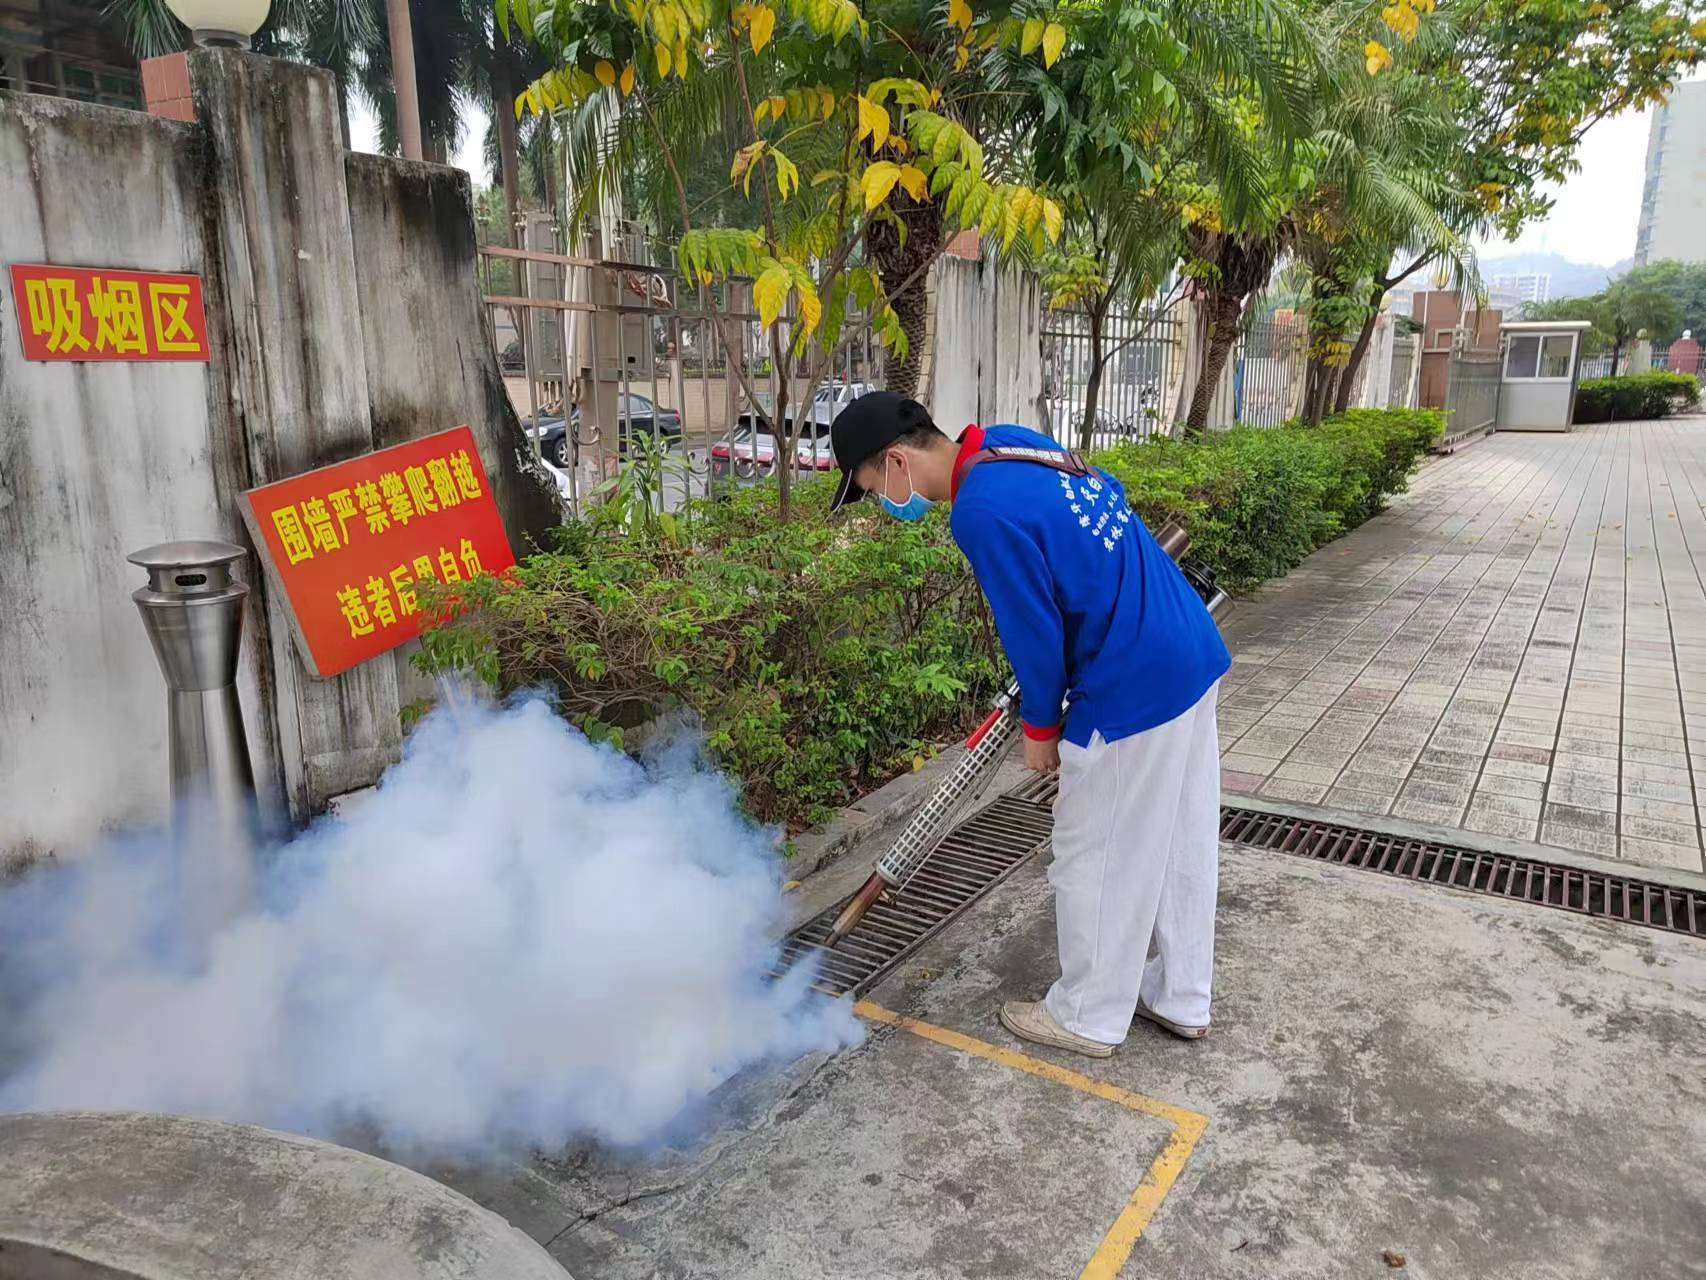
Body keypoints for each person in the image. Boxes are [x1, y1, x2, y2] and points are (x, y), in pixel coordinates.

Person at [829, 391, 1230, 1058]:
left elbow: (1033, 631)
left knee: (1094, 851)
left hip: (1132, 679)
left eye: (873, 488)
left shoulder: (979, 512)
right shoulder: (1009, 441)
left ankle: (1089, 1017)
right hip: (1187, 643)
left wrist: (1040, 729)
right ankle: (1181, 995)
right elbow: (1110, 494)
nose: (883, 503)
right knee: (1180, 841)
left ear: (897, 463)